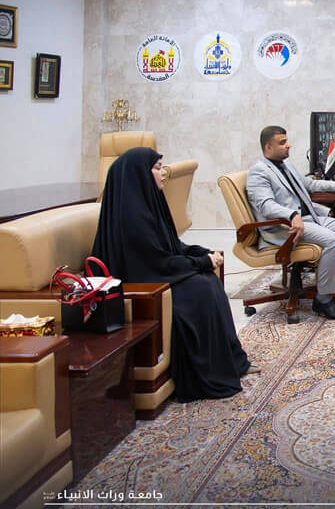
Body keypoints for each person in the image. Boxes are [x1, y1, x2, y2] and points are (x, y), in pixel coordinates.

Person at [92, 147, 257, 403]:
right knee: (201, 290)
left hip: (156, 273)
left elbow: (171, 245)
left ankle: (232, 362)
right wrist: (201, 262)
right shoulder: (131, 216)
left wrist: (202, 253)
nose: (163, 174)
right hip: (143, 283)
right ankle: (207, 373)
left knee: (208, 282)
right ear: (140, 174)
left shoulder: (148, 203)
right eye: (157, 168)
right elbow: (154, 261)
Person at [246, 126, 335, 321]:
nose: (288, 145)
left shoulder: (286, 165)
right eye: (282, 142)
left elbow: (310, 184)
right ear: (268, 147)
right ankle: (323, 300)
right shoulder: (258, 172)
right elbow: (265, 205)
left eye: (287, 140)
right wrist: (291, 215)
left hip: (308, 218)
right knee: (332, 240)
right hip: (286, 227)